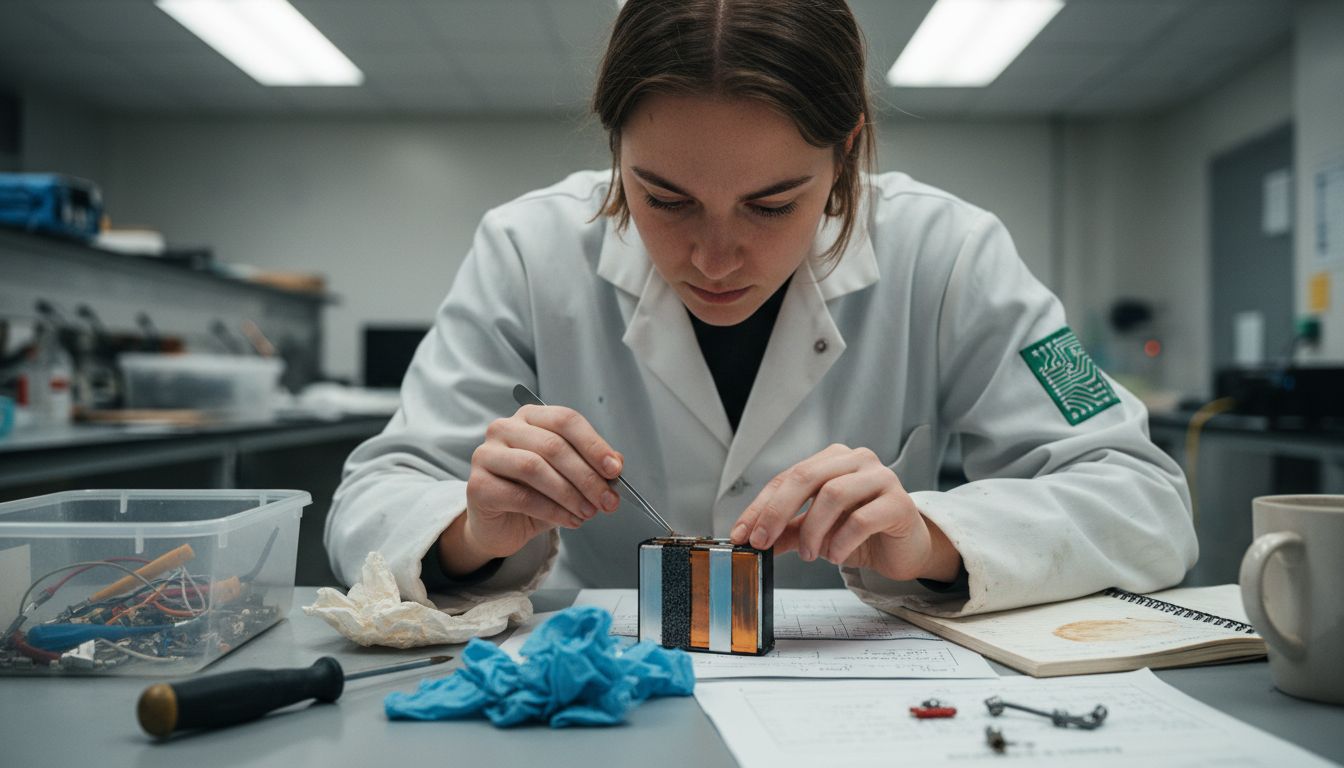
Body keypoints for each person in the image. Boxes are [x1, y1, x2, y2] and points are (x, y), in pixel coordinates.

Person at [325, 0, 1196, 618]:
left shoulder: (954, 252)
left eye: (772, 205)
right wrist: (470, 531)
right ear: (614, 143)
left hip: (864, 700)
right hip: (613, 684)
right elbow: (373, 496)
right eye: (662, 197)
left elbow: (1145, 498)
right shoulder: (526, 250)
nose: (712, 258)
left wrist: (929, 538)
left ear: (845, 148)